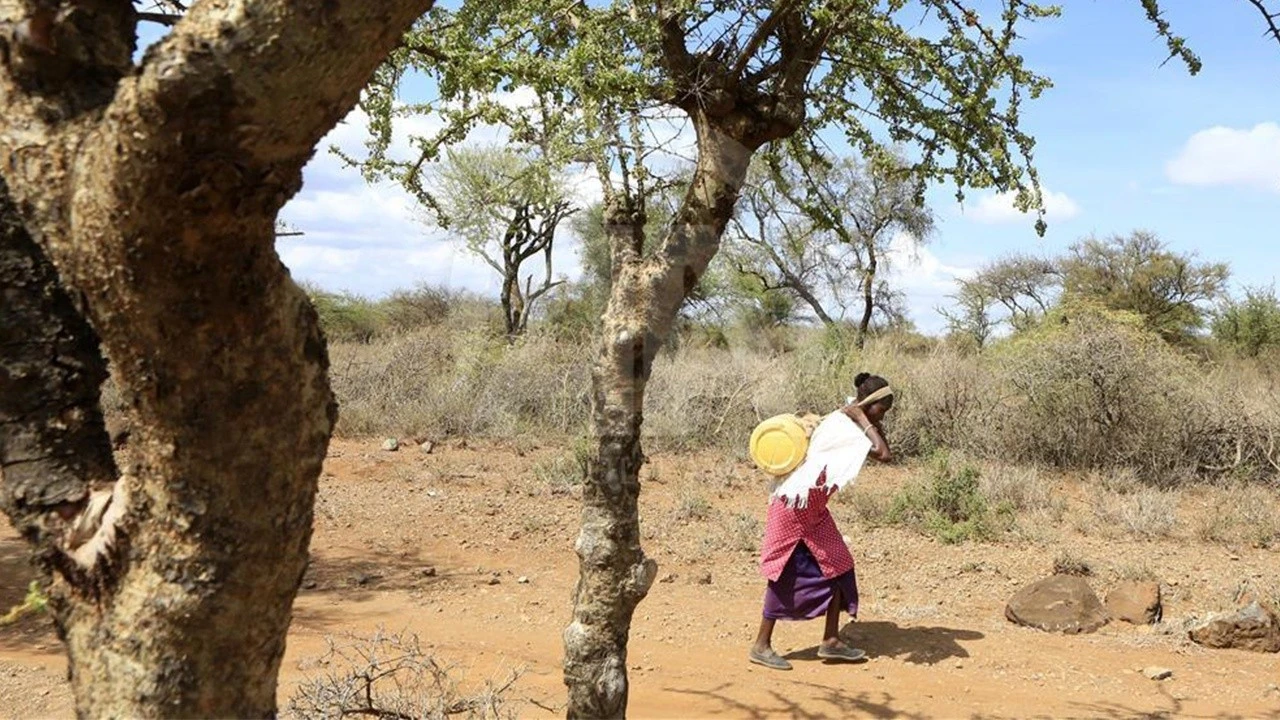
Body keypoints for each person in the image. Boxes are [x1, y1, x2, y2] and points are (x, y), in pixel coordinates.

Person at [749, 372, 894, 671]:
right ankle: (761, 645)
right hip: (793, 507)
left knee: (840, 565)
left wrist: (865, 419)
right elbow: (883, 453)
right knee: (783, 574)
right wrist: (861, 418)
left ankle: (831, 641)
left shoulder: (853, 423)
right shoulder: (845, 427)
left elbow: (878, 441)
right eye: (881, 409)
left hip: (812, 511)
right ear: (867, 405)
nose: (883, 416)